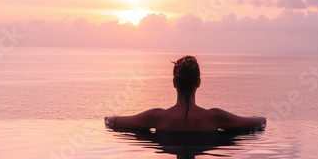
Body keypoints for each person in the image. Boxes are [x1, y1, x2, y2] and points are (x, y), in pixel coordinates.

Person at [104, 55, 267, 132]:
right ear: (198, 82)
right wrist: (254, 117)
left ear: (174, 83)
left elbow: (113, 121)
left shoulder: (156, 117)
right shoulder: (215, 117)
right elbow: (259, 122)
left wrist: (107, 117)